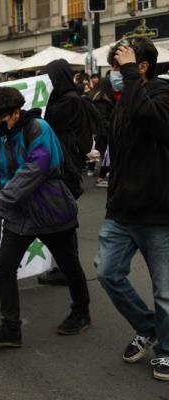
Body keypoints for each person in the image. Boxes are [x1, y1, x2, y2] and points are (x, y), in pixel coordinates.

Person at [0, 87, 90, 347]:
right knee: (5, 263)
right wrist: (1, 196)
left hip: (51, 212)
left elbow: (35, 170)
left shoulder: (38, 129)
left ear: (16, 113)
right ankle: (10, 329)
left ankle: (81, 312)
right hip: (18, 215)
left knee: (68, 264)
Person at [95, 38, 169, 382]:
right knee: (108, 272)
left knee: (164, 291)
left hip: (158, 213)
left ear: (142, 68)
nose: (114, 75)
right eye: (114, 68)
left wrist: (130, 76)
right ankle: (147, 326)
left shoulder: (162, 95)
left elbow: (148, 117)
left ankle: (167, 351)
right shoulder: (126, 100)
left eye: (120, 66)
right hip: (122, 210)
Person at [37, 59, 84, 287]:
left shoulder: (68, 101)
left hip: (65, 163)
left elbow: (49, 119)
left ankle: (68, 268)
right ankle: (66, 266)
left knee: (64, 219)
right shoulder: (65, 98)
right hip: (63, 160)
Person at [89, 77, 116, 188]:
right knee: (106, 154)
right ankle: (101, 177)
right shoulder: (104, 101)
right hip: (104, 132)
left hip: (97, 131)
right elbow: (103, 118)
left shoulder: (95, 98)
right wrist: (110, 128)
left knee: (99, 152)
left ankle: (94, 171)